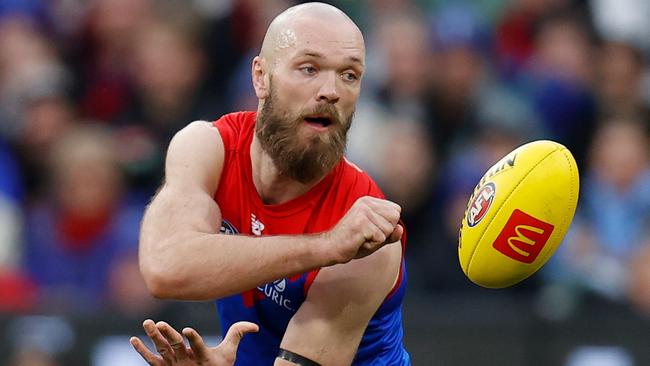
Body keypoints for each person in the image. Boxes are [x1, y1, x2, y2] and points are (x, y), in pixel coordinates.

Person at [131, 2, 410, 365]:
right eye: (309, 68)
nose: (331, 90)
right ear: (261, 77)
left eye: (349, 75)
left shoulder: (369, 240)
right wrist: (326, 247)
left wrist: (338, 247)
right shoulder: (208, 147)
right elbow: (164, 267)